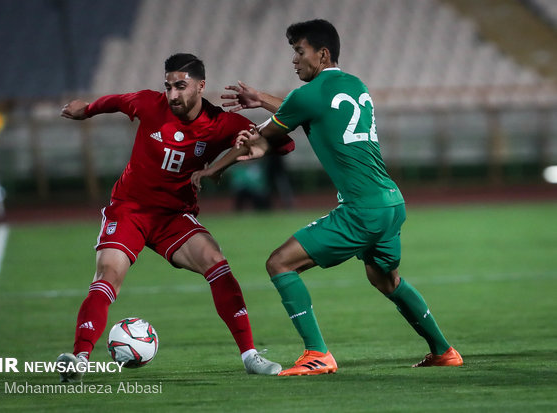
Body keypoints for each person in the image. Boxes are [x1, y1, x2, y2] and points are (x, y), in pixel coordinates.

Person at [210, 19, 463, 375]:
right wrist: (262, 99)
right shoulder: (354, 84)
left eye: (300, 52)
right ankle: (443, 350)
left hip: (362, 209)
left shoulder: (307, 96)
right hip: (391, 202)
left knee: (280, 263)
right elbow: (310, 108)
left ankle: (317, 353)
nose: (294, 61)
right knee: (385, 279)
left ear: (322, 53)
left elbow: (267, 132)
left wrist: (213, 170)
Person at [58, 53, 294, 382]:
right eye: (168, 87)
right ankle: (79, 357)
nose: (172, 95)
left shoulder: (222, 124)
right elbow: (116, 101)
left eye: (180, 87)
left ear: (201, 86)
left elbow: (286, 143)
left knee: (215, 260)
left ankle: (250, 355)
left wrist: (260, 132)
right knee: (108, 275)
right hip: (130, 209)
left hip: (174, 216)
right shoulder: (148, 104)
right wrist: (88, 110)